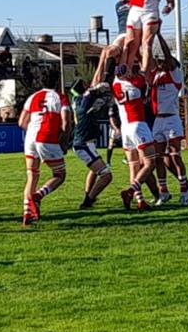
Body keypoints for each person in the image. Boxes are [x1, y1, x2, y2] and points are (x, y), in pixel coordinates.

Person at [18, 71, 72, 226]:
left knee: (32, 176)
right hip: (47, 137)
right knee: (59, 175)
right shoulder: (60, 97)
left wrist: (33, 129)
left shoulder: (33, 97)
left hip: (30, 139)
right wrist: (63, 141)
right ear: (57, 82)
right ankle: (38, 196)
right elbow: (66, 122)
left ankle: (27, 215)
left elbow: (21, 122)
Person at [110, 63, 161, 210]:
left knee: (133, 166)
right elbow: (143, 75)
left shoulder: (116, 84)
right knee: (150, 163)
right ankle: (131, 191)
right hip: (138, 125)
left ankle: (140, 200)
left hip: (124, 128)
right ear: (125, 74)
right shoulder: (134, 84)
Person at [150, 54, 188, 205]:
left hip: (171, 119)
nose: (162, 63)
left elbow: (169, 58)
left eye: (165, 62)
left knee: (175, 155)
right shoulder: (156, 75)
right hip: (158, 119)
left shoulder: (175, 75)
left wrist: (159, 35)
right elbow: (147, 60)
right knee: (158, 157)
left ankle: (184, 190)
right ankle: (163, 191)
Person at [125, 0, 175, 72]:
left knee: (146, 43)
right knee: (132, 44)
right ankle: (126, 71)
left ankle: (144, 71)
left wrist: (169, 7)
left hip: (150, 12)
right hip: (135, 9)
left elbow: (171, 1)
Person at [69, 81, 116, 209]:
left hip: (84, 142)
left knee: (94, 171)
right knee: (106, 176)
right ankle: (88, 201)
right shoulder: (85, 100)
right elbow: (95, 89)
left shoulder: (77, 100)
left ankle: (87, 197)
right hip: (83, 144)